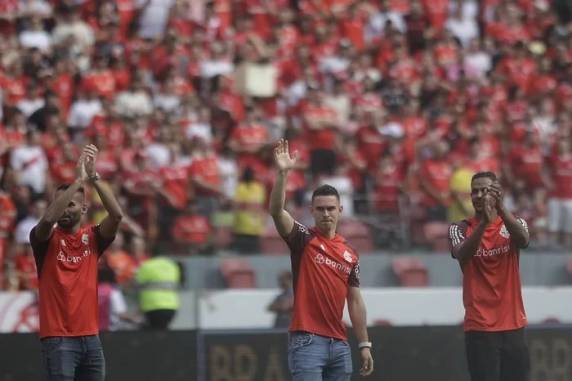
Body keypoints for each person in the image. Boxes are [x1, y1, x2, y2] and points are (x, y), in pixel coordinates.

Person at [269, 139, 374, 380]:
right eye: (320, 208)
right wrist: (283, 174)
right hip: (307, 340)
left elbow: (355, 302)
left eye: (330, 208)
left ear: (340, 210)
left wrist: (364, 344)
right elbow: (276, 211)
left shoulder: (350, 253)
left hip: (339, 343)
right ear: (312, 211)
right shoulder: (303, 239)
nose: (326, 213)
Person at [30, 144, 123, 381]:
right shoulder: (45, 239)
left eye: (70, 204)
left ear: (83, 208)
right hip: (58, 339)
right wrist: (76, 182)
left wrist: (93, 178)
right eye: (60, 202)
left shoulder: (93, 238)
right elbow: (48, 217)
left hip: (91, 339)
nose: (62, 209)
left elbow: (116, 216)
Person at [448, 171, 530, 381]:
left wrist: (500, 210)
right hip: (480, 326)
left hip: (513, 325)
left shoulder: (513, 224)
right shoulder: (459, 228)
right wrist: (484, 222)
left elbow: (524, 240)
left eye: (484, 190)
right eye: (474, 191)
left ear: (497, 193)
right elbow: (462, 254)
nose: (478, 195)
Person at [136, 255, 181, 330]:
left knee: (153, 331)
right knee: (163, 329)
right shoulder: (173, 266)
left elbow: (137, 282)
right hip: (171, 306)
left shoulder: (147, 265)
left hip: (152, 306)